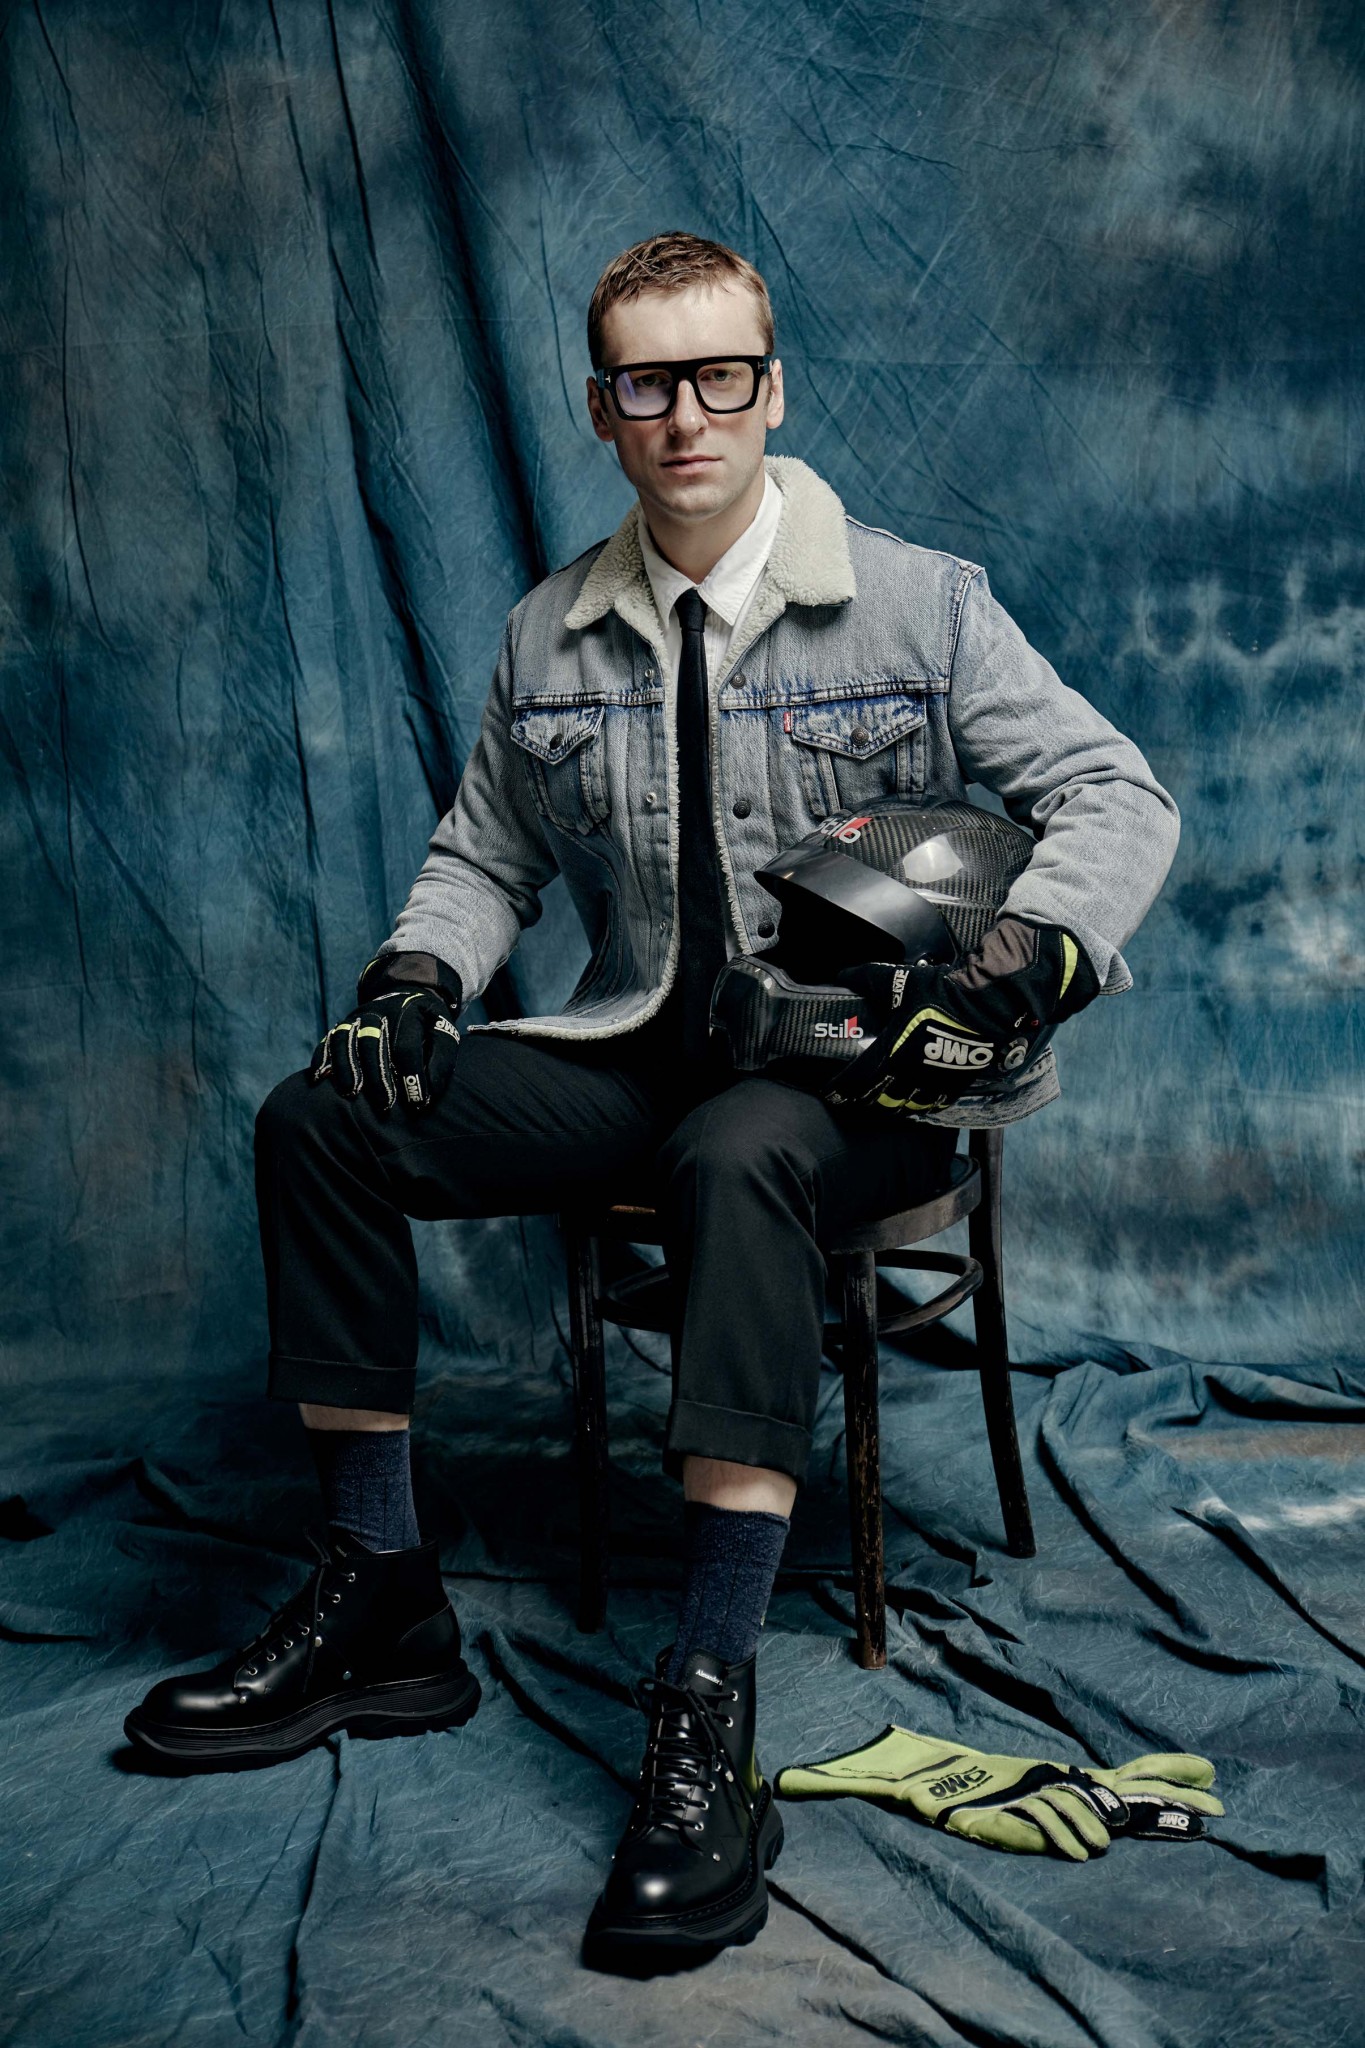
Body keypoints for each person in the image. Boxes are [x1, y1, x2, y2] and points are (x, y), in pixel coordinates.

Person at [125, 231, 1179, 1954]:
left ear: (772, 388)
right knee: (322, 1119)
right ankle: (381, 1598)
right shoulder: (548, 631)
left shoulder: (920, 603)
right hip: (631, 1053)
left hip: (852, 1085)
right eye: (646, 382)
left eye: (719, 375)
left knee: (739, 1154)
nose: (686, 413)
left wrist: (1040, 951)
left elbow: (1112, 793)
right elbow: (484, 857)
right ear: (598, 407)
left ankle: (706, 1704)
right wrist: (415, 977)